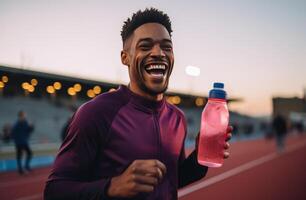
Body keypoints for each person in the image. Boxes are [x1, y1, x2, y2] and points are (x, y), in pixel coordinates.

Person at [44, 8, 232, 200]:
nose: (158, 53)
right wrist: (111, 187)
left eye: (166, 47)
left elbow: (172, 180)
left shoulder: (178, 118)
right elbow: (54, 191)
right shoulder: (96, 113)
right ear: (125, 57)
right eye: (145, 46)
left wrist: (199, 158)